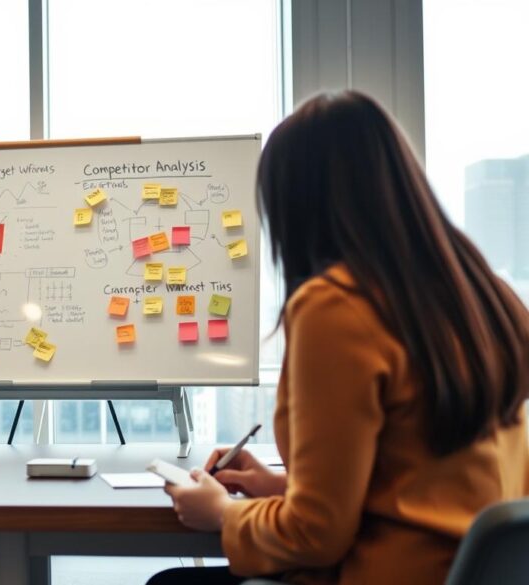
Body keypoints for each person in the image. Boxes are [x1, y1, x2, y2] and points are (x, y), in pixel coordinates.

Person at [149, 91, 529, 585]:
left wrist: (222, 511)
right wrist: (280, 486)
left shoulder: (337, 307)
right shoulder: (486, 296)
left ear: (298, 210)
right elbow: (421, 479)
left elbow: (316, 535)